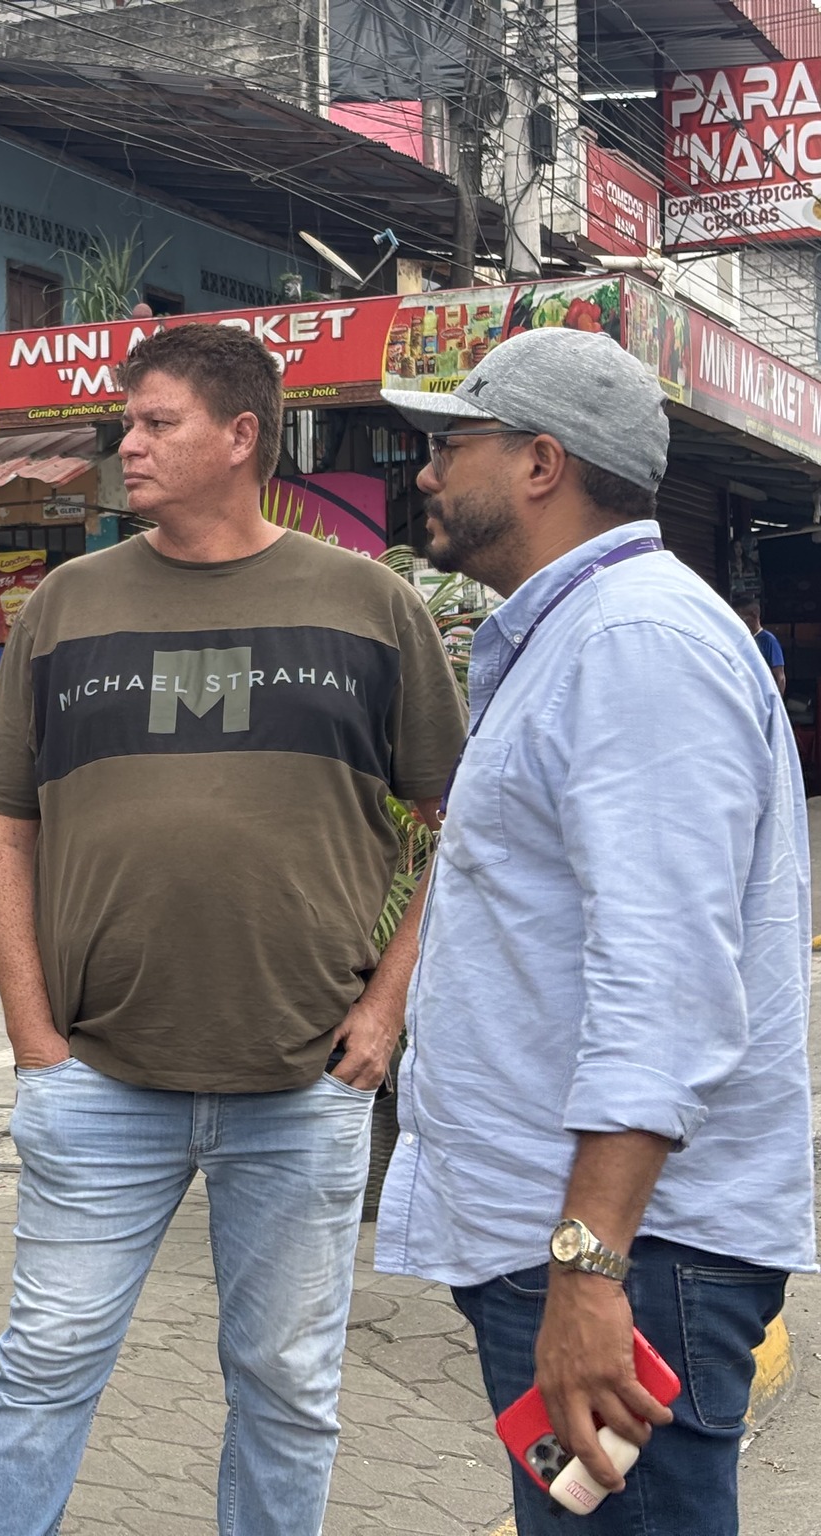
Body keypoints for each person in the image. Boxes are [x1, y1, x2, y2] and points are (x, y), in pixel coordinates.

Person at [0, 323, 466, 1536]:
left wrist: (384, 1011)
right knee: (41, 1368)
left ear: (240, 437)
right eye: (124, 423)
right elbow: (3, 824)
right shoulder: (65, 605)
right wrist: (32, 1043)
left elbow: (456, 825)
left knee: (286, 1387)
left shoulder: (368, 604)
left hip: (300, 1080)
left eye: (155, 422)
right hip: (98, 1080)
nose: (126, 445)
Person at [376, 326, 815, 1536]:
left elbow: (661, 980)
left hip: (631, 1256)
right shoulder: (582, 632)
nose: (426, 471)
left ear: (539, 462)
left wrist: (587, 1265)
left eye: (452, 442)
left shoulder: (632, 644)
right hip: (594, 1243)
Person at [735, 596, 787, 695]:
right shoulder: (741, 640)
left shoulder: (768, 640)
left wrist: (776, 701)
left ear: (754, 615)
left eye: (741, 617)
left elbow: (780, 678)